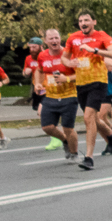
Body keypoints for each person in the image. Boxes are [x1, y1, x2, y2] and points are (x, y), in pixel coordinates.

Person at [62, 10, 112, 170]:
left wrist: (95, 50)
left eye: (86, 20)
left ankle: (89, 157)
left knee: (88, 117)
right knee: (93, 119)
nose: (83, 23)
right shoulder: (73, 38)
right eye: (81, 20)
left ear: (94, 22)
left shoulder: (102, 36)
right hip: (81, 83)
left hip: (98, 82)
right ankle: (111, 135)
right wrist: (69, 64)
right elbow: (64, 57)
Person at [33, 29, 79, 160]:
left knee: (68, 128)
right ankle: (65, 141)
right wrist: (38, 83)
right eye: (51, 39)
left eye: (56, 38)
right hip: (50, 95)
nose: (54, 41)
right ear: (46, 41)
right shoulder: (42, 56)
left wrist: (67, 79)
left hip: (69, 95)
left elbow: (81, 74)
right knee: (47, 127)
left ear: (60, 39)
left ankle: (74, 154)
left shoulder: (69, 54)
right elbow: (39, 70)